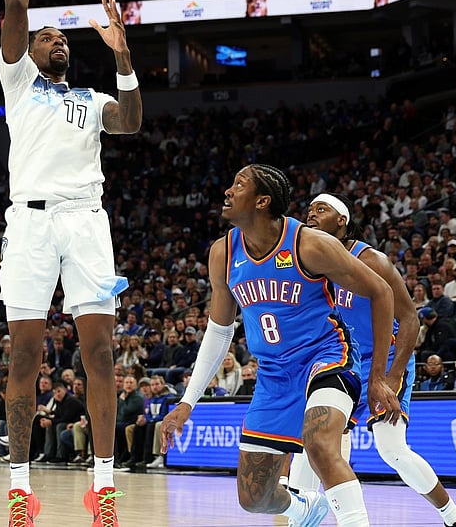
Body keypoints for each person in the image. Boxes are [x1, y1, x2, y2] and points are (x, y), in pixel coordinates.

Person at [0, 0, 143, 527]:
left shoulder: (89, 99)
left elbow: (133, 122)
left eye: (61, 36)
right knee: (24, 359)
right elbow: (16, 5)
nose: (54, 37)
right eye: (45, 35)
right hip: (29, 222)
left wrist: (122, 56)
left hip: (86, 220)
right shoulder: (17, 86)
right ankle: (20, 491)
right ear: (27, 52)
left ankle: (103, 488)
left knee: (102, 354)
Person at [162, 165, 400, 527]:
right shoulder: (222, 253)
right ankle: (304, 509)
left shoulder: (311, 244)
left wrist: (379, 375)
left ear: (262, 201)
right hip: (273, 375)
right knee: (254, 499)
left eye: (238, 184)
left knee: (319, 443)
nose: (227, 191)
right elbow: (218, 331)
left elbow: (381, 292)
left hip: (326, 357)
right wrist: (187, 401)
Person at [291, 193, 456, 527]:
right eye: (308, 210)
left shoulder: (370, 260)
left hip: (385, 358)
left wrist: (390, 378)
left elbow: (411, 320)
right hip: (342, 362)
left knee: (392, 450)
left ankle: (455, 518)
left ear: (341, 221)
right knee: (315, 443)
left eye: (321, 209)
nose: (311, 215)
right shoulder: (312, 266)